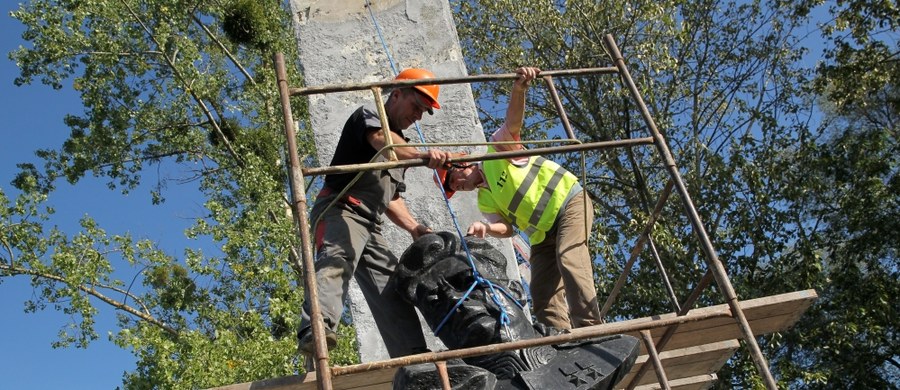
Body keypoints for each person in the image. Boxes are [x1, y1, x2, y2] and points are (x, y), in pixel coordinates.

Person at [297, 68, 455, 360]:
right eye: (416, 107)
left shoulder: (403, 146)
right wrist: (424, 155)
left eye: (424, 111)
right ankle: (316, 329)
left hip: (371, 222)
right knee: (338, 258)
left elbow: (391, 197)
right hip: (341, 208)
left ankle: (412, 356)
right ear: (396, 94)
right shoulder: (368, 118)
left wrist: (413, 227)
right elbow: (384, 143)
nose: (418, 116)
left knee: (391, 287)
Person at [435, 66, 603, 331]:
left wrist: (519, 88)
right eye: (454, 187)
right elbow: (507, 228)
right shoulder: (484, 201)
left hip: (568, 204)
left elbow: (512, 124)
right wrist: (487, 228)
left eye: (455, 179)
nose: (460, 185)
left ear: (463, 161)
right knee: (542, 293)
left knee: (569, 257)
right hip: (543, 235)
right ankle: (559, 341)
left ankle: (591, 327)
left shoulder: (495, 150)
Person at [393, 232, 638, 390]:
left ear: (516, 292)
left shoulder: (605, 351)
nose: (455, 299)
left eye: (466, 282)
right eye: (436, 303)